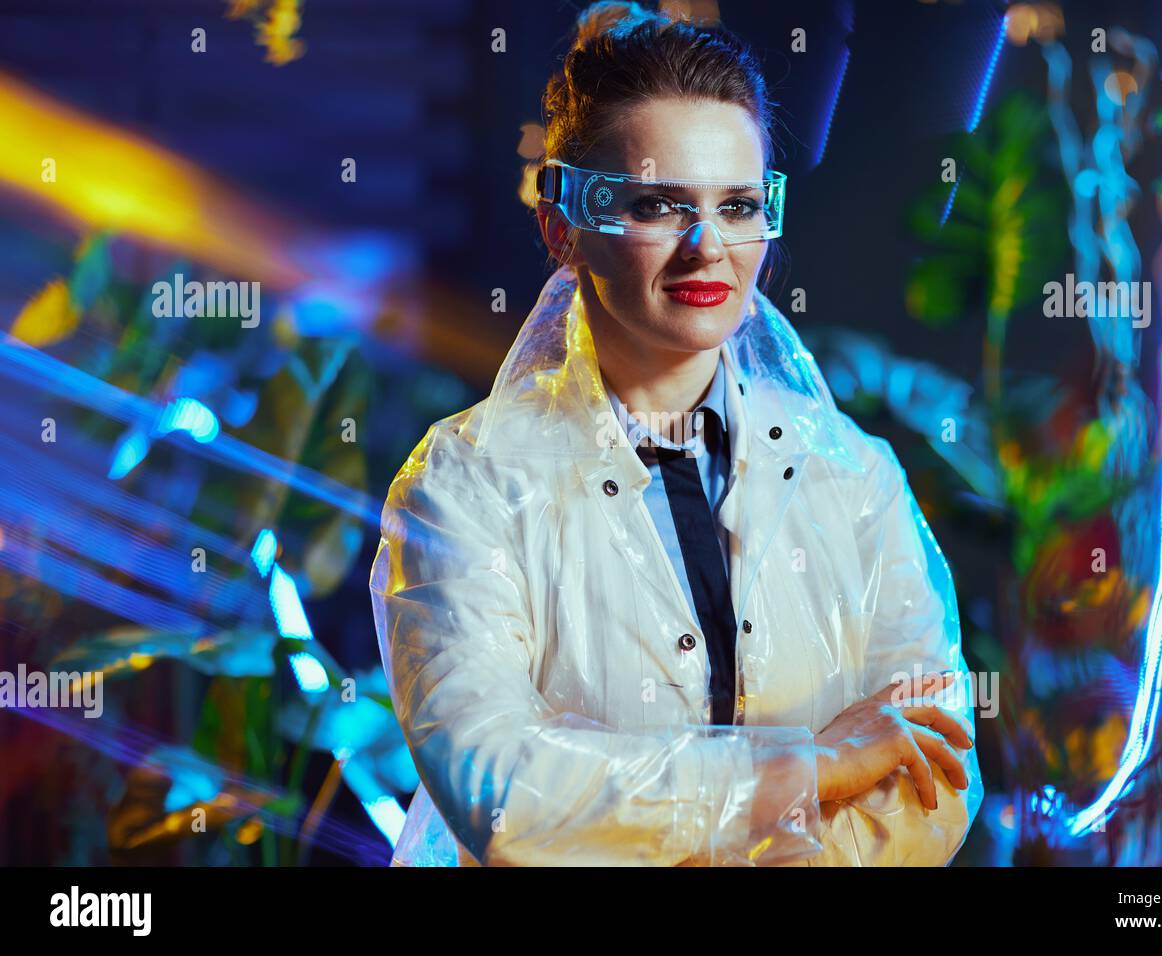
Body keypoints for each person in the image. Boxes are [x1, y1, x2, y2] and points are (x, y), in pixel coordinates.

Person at [370, 0, 983, 866]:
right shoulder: (466, 486)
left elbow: (936, 773)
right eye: (659, 205)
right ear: (563, 228)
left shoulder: (852, 476)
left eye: (737, 206)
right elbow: (503, 795)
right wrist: (816, 767)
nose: (708, 247)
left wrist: (648, 813)